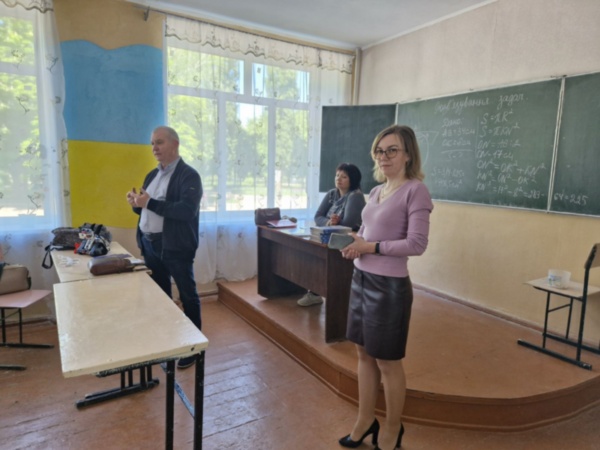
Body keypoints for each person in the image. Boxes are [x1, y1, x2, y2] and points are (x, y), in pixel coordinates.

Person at [337, 125, 433, 450]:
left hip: (389, 287)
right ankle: (365, 420)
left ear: (408, 155)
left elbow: (417, 244)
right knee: (363, 354)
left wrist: (370, 247)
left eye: (392, 150)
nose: (384, 156)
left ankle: (393, 427)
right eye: (380, 150)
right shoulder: (377, 191)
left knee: (388, 362)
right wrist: (355, 244)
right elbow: (367, 230)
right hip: (361, 279)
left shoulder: (416, 191)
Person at [126, 126, 203, 369]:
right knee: (160, 296)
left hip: (175, 246)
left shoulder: (189, 176)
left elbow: (186, 211)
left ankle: (194, 347)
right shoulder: (152, 175)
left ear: (175, 144)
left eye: (159, 142)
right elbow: (147, 209)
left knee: (187, 294)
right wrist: (136, 204)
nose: (154, 148)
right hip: (150, 244)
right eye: (152, 143)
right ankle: (168, 340)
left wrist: (149, 203)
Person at [297, 162, 366, 307]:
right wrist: (329, 222)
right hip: (329, 236)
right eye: (337, 175)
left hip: (348, 241)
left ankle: (320, 294)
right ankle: (314, 292)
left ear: (353, 179)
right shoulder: (332, 194)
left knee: (321, 258)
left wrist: (335, 223)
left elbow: (347, 225)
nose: (338, 179)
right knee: (311, 252)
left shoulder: (355, 196)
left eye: (344, 177)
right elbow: (318, 217)